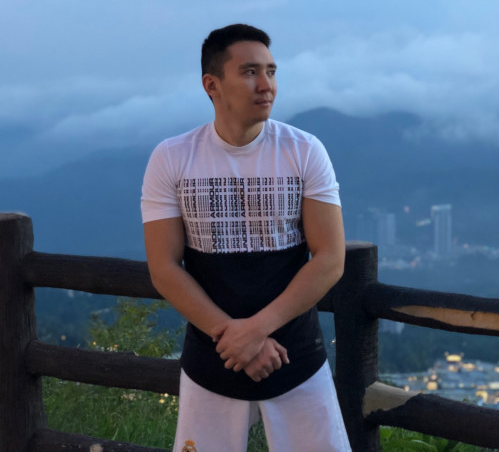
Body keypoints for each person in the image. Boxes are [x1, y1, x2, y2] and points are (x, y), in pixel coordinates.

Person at [141, 24, 351, 452]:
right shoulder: (172, 158)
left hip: (296, 356)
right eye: (250, 72)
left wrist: (253, 332)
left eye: (271, 71)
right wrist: (235, 338)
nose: (266, 85)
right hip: (211, 361)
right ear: (212, 85)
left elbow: (330, 258)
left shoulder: (304, 150)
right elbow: (163, 267)